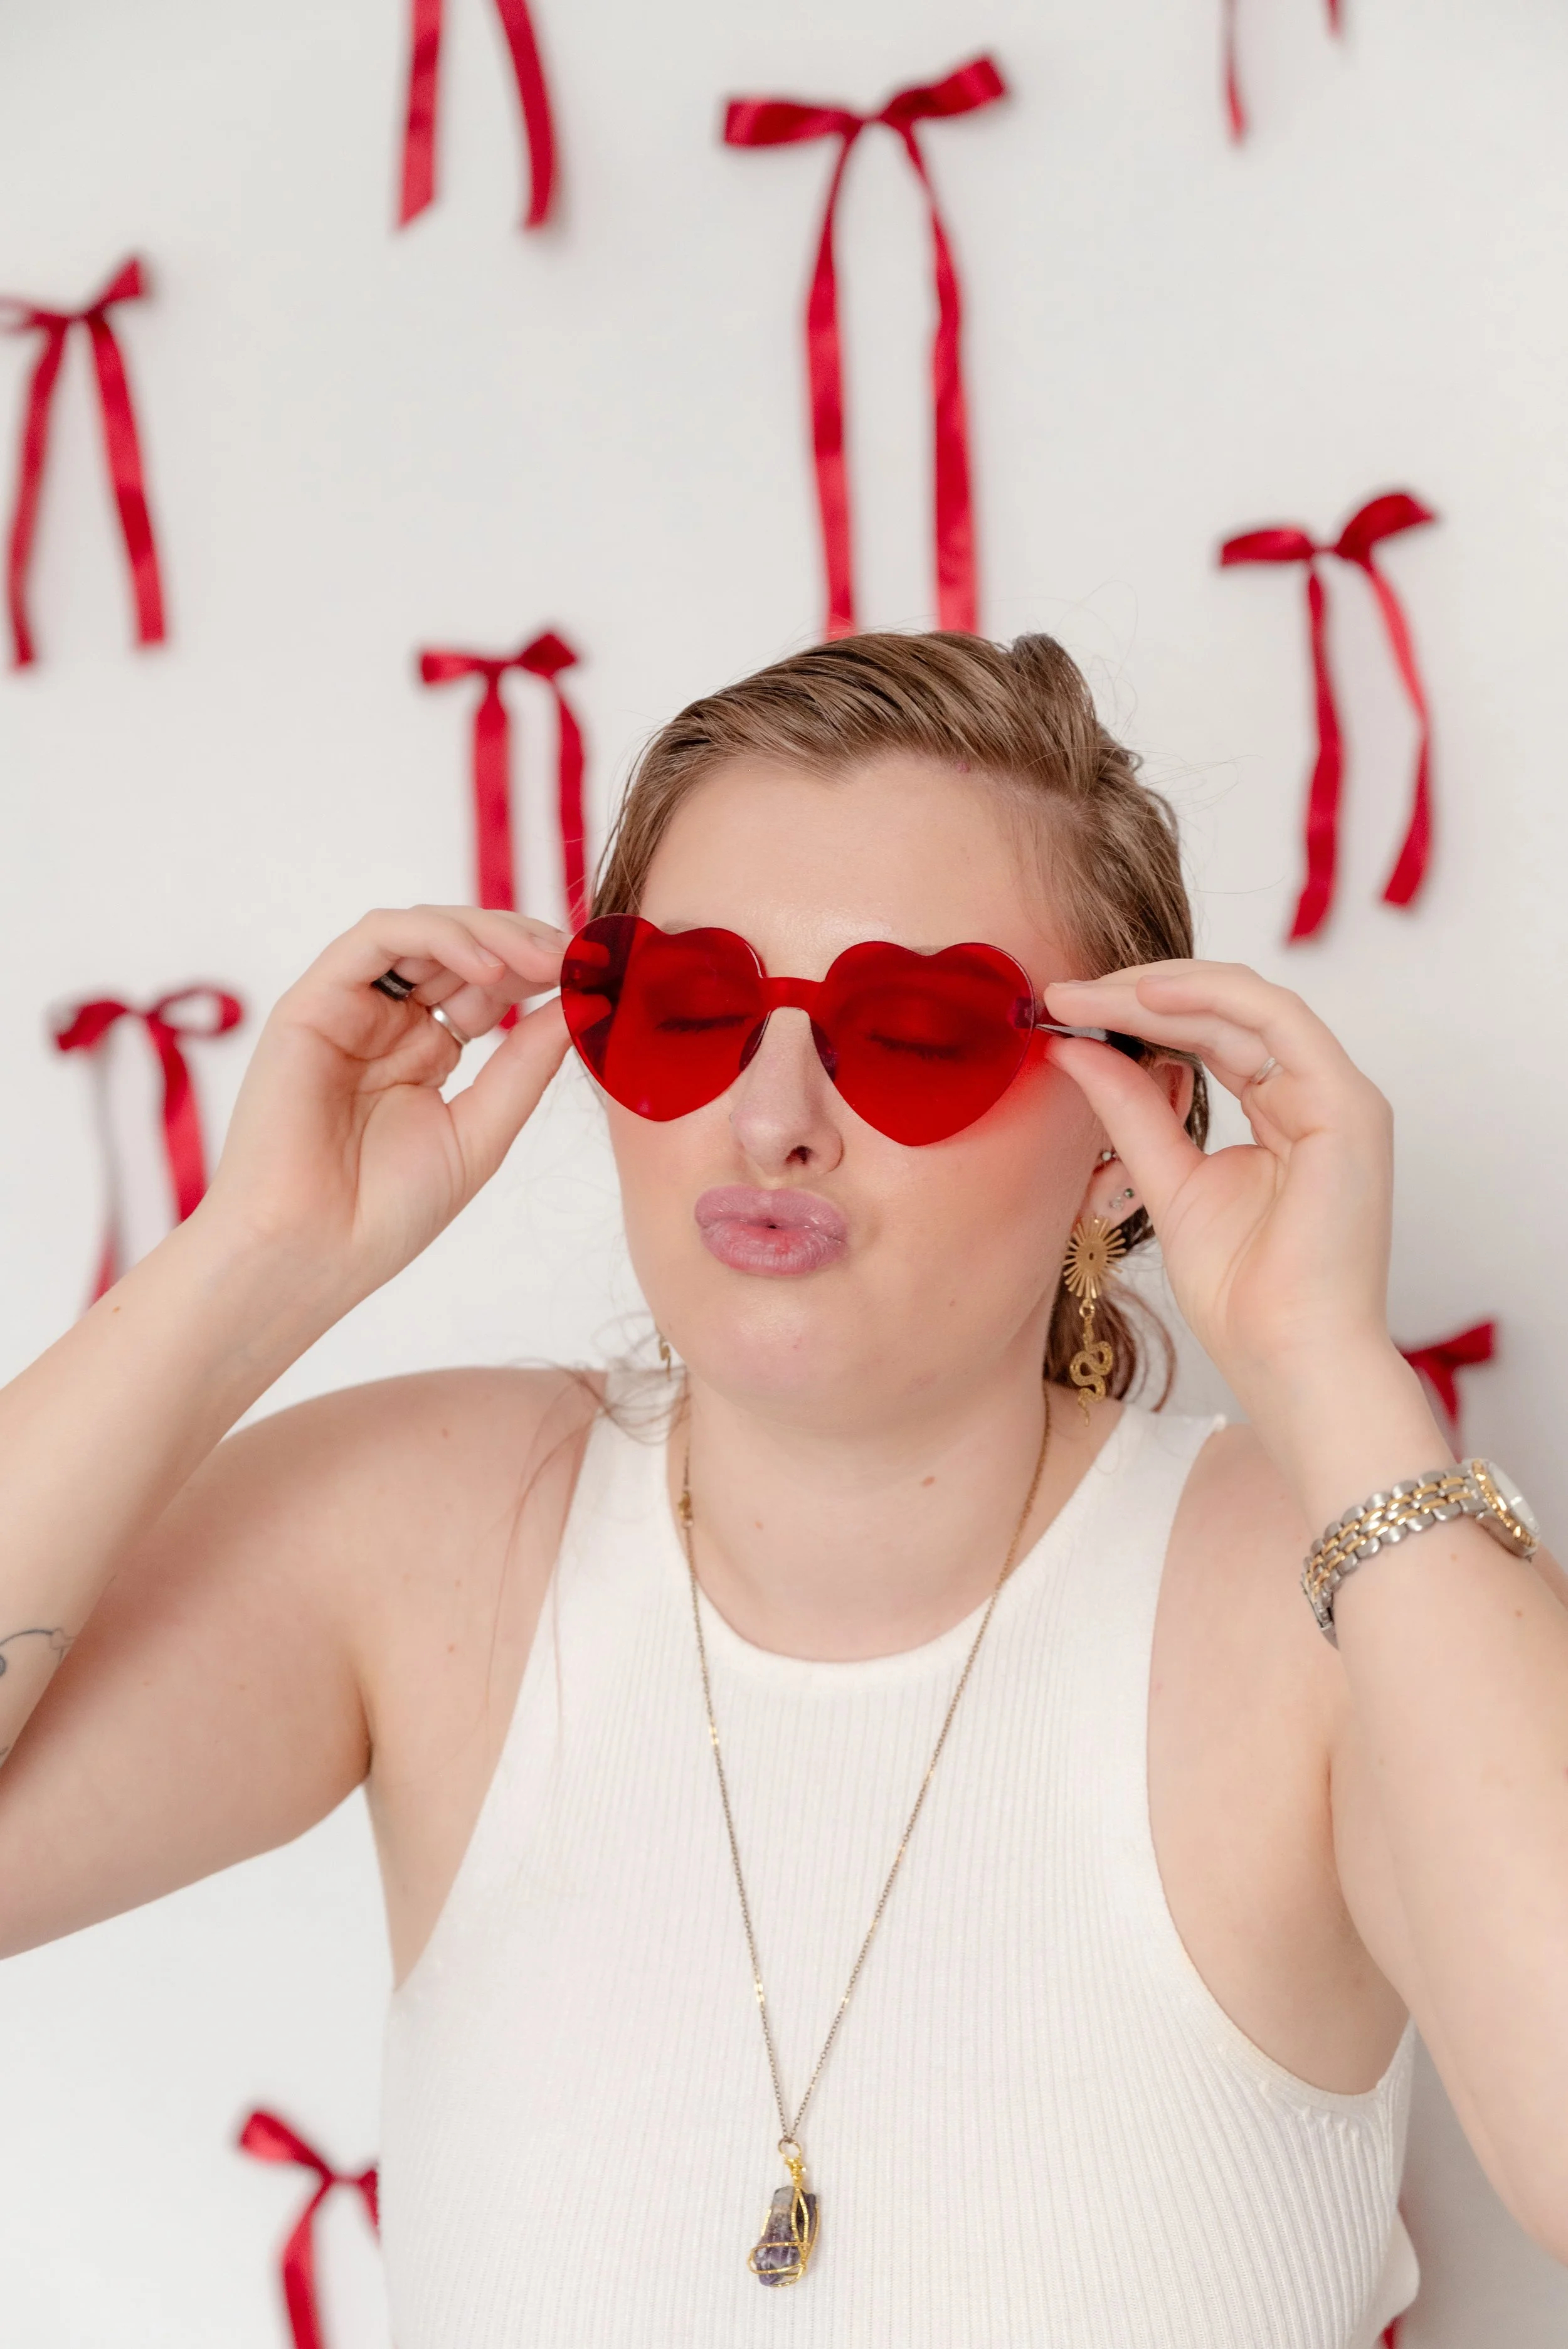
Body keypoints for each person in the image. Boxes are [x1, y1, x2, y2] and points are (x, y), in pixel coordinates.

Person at [1, 632, 1564, 2347]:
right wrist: (255, 1256)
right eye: (688, 1010)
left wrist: (1326, 1369)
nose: (772, 1119)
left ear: (1125, 1138)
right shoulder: (430, 1535)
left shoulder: (1328, 1579)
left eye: (916, 1031)